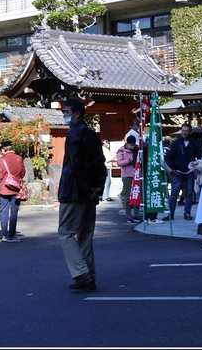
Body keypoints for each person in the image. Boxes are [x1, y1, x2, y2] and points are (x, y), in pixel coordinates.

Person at [57, 97, 107, 292]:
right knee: (85, 234)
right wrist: (97, 187)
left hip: (74, 189)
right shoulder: (92, 134)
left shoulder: (73, 133)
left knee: (66, 232)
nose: (64, 115)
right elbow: (100, 162)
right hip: (90, 191)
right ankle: (89, 275)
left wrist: (86, 187)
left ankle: (82, 273)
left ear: (76, 114)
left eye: (66, 112)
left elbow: (75, 164)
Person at [166, 123, 201, 220]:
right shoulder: (176, 143)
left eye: (187, 131)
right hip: (178, 171)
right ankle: (170, 214)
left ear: (190, 132)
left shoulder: (195, 143)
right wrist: (172, 169)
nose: (184, 133)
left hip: (190, 171)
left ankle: (187, 213)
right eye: (183, 130)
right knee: (174, 193)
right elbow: (170, 157)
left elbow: (199, 156)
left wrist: (196, 166)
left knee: (189, 193)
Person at [0, 139, 26, 243]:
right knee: (14, 212)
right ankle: (12, 234)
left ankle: (4, 234)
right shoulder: (19, 158)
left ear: (4, 149)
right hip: (16, 189)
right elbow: (23, 173)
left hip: (4, 189)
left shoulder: (1, 160)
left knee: (4, 212)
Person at [116, 135, 140, 223]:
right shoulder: (122, 150)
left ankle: (136, 213)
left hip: (137, 174)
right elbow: (119, 162)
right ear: (127, 143)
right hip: (127, 174)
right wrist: (129, 160)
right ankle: (128, 214)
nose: (131, 146)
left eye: (133, 144)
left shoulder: (138, 149)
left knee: (137, 195)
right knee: (128, 196)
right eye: (130, 144)